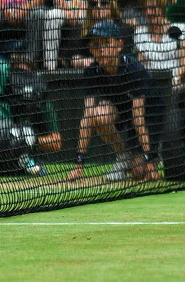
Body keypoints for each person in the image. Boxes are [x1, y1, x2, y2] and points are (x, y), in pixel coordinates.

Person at [66, 21, 158, 183]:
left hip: (149, 116)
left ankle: (153, 155)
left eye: (107, 43)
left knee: (139, 172)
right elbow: (87, 116)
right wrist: (78, 164)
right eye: (96, 45)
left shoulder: (134, 69)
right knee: (97, 114)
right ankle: (123, 156)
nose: (101, 50)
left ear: (119, 45)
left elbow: (139, 119)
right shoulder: (92, 71)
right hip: (121, 110)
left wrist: (149, 161)